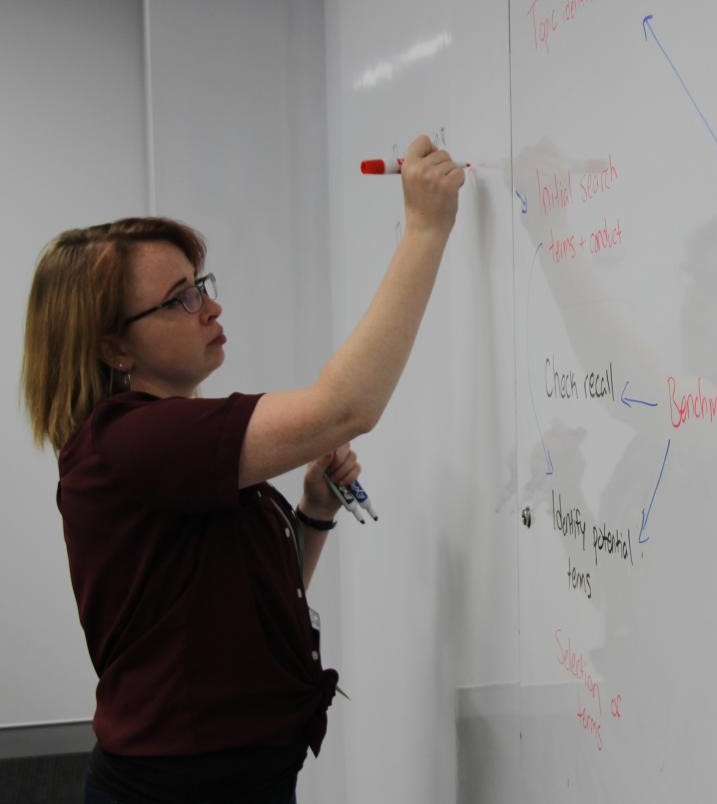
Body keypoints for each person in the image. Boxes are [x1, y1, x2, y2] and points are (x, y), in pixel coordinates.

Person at [20, 135, 463, 803]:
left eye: (200, 286)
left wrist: (313, 513)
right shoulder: (132, 443)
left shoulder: (170, 445)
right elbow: (345, 407)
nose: (210, 307)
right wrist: (427, 228)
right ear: (113, 346)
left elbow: (248, 597)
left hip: (233, 777)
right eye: (180, 300)